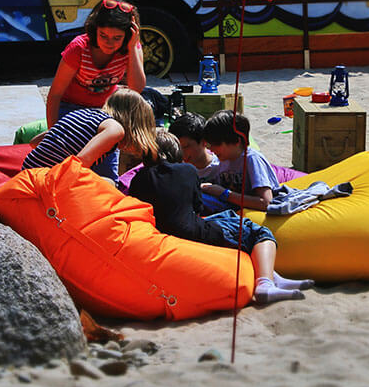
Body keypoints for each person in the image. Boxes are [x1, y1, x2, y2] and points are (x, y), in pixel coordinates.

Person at [129, 130, 312, 304]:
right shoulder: (187, 171)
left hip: (161, 236)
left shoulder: (138, 180)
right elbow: (197, 208)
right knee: (257, 232)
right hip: (192, 233)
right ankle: (265, 284)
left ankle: (272, 277)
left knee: (227, 217)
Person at [44, 0, 146, 130]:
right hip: (71, 110)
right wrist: (53, 133)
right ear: (95, 30)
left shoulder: (131, 46)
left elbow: (136, 88)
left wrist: (133, 47)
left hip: (105, 110)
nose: (109, 43)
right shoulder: (78, 48)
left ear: (128, 36)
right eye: (103, 35)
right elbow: (55, 95)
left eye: (117, 38)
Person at [23, 88, 157, 186]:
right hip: (43, 183)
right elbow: (78, 164)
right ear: (134, 125)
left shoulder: (84, 114)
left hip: (27, 174)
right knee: (109, 184)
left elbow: (34, 142)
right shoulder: (115, 129)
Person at [201, 110, 281, 212]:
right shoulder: (224, 159)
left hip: (254, 214)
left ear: (236, 141)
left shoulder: (252, 159)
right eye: (209, 145)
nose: (211, 149)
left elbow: (266, 202)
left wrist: (225, 194)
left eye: (216, 144)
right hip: (232, 208)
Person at [168, 112, 219, 181]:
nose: (182, 153)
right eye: (178, 148)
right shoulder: (176, 171)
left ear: (204, 141)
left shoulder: (221, 167)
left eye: (186, 146)